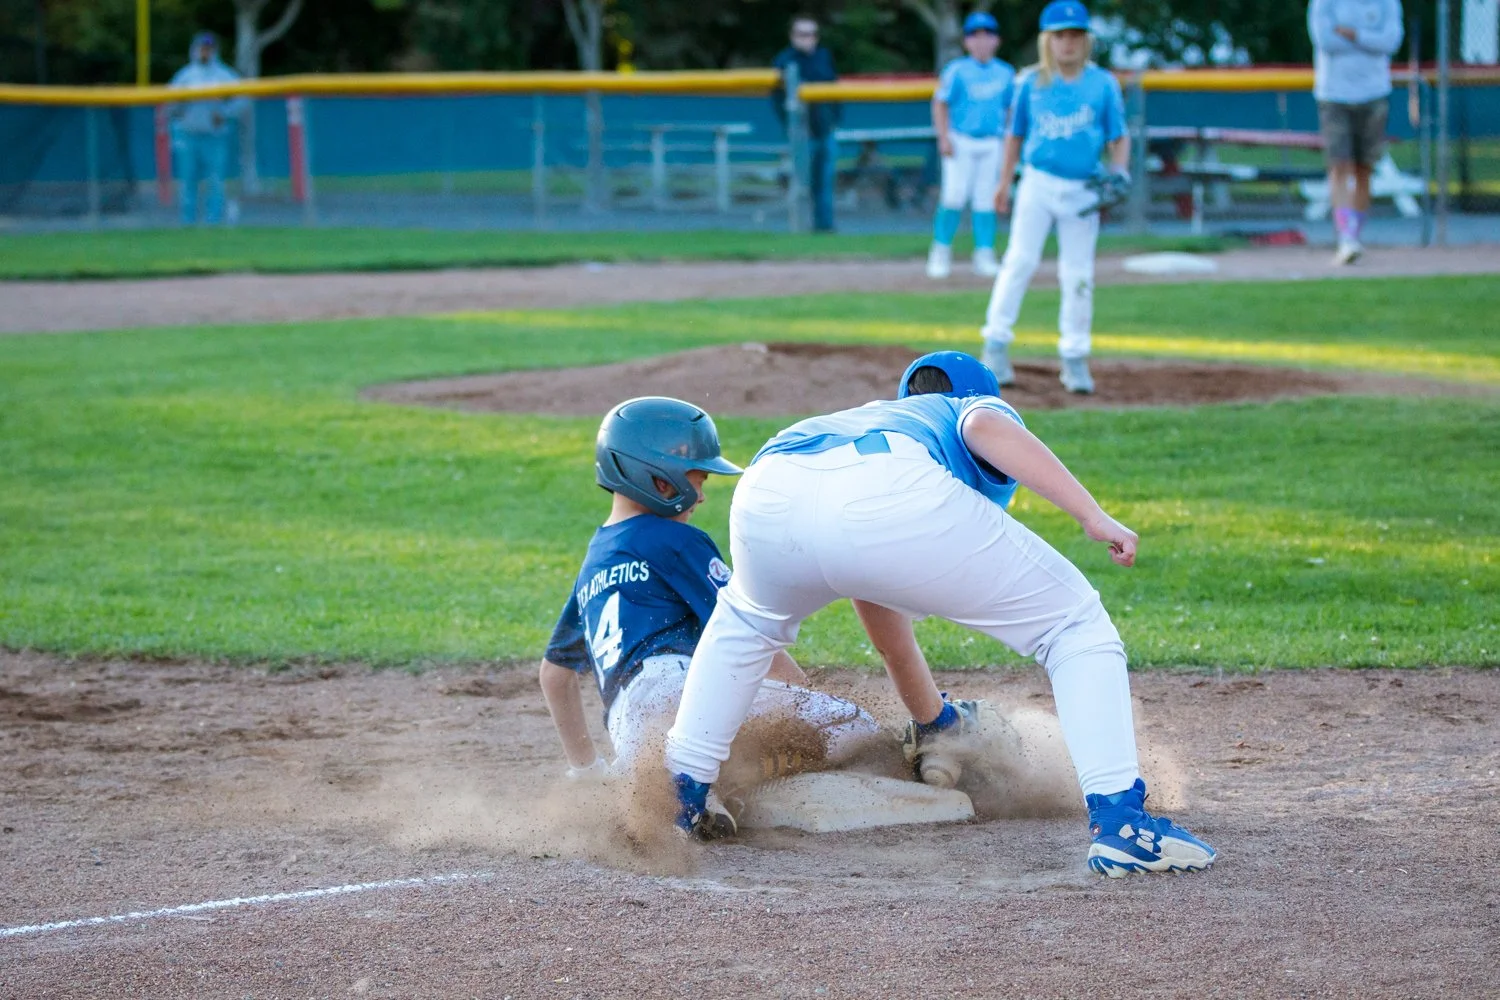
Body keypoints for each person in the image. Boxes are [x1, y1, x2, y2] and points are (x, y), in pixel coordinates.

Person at [663, 352, 1216, 877]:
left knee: (744, 628)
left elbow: (875, 598)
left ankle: (679, 796)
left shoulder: (869, 416)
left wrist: (934, 722)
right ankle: (1123, 826)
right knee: (1074, 625)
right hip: (890, 491)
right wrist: (1093, 516)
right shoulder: (964, 406)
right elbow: (984, 429)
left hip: (768, 491)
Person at [538, 397, 879, 831]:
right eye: (696, 479)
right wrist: (805, 699)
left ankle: (695, 798)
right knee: (855, 726)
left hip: (628, 726)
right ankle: (731, 785)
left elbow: (555, 674)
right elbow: (749, 631)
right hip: (678, 685)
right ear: (657, 480)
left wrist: (586, 771)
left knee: (671, 769)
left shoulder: (595, 563)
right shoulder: (676, 540)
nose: (700, 495)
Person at [979, 0, 1129, 396]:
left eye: (1075, 35)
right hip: (1038, 183)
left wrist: (1120, 171)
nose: (1068, 43)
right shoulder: (1030, 82)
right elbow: (1015, 135)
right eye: (1060, 36)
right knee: (1019, 262)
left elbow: (1119, 135)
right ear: (1048, 40)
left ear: (1086, 40)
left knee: (1078, 273)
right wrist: (1003, 182)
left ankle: (1075, 356)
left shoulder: (1103, 84)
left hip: (1083, 189)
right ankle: (995, 343)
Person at [1307, 0, 1404, 265]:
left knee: (1364, 167)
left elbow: (1391, 41)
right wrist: (1370, 41)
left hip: (1374, 93)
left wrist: (1353, 34)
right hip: (1334, 94)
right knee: (1340, 164)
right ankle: (1344, 237)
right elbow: (1325, 41)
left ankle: (1354, 235)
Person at [926, 12, 1016, 281]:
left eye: (987, 35)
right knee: (953, 195)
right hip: (961, 140)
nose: (981, 41)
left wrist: (1010, 141)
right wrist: (944, 137)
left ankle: (984, 254)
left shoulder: (1005, 72)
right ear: (967, 42)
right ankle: (940, 252)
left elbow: (1011, 110)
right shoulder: (957, 70)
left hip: (992, 141)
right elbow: (940, 103)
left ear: (996, 40)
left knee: (986, 198)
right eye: (975, 36)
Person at [772, 15, 842, 233]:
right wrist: (789, 127)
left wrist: (835, 120)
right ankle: (799, 227)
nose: (808, 39)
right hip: (802, 132)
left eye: (812, 34)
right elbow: (776, 98)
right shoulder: (785, 60)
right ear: (793, 36)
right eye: (803, 34)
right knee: (802, 182)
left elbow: (836, 91)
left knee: (825, 181)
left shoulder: (824, 56)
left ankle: (824, 228)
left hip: (824, 129)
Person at [167, 32, 245, 226]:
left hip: (214, 136)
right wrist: (178, 109)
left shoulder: (223, 74)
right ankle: (188, 222)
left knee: (215, 181)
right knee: (188, 180)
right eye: (202, 48)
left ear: (214, 51)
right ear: (194, 50)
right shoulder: (185, 76)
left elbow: (244, 98)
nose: (205, 52)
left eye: (208, 49)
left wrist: (225, 113)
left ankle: (213, 222)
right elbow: (168, 103)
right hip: (188, 134)